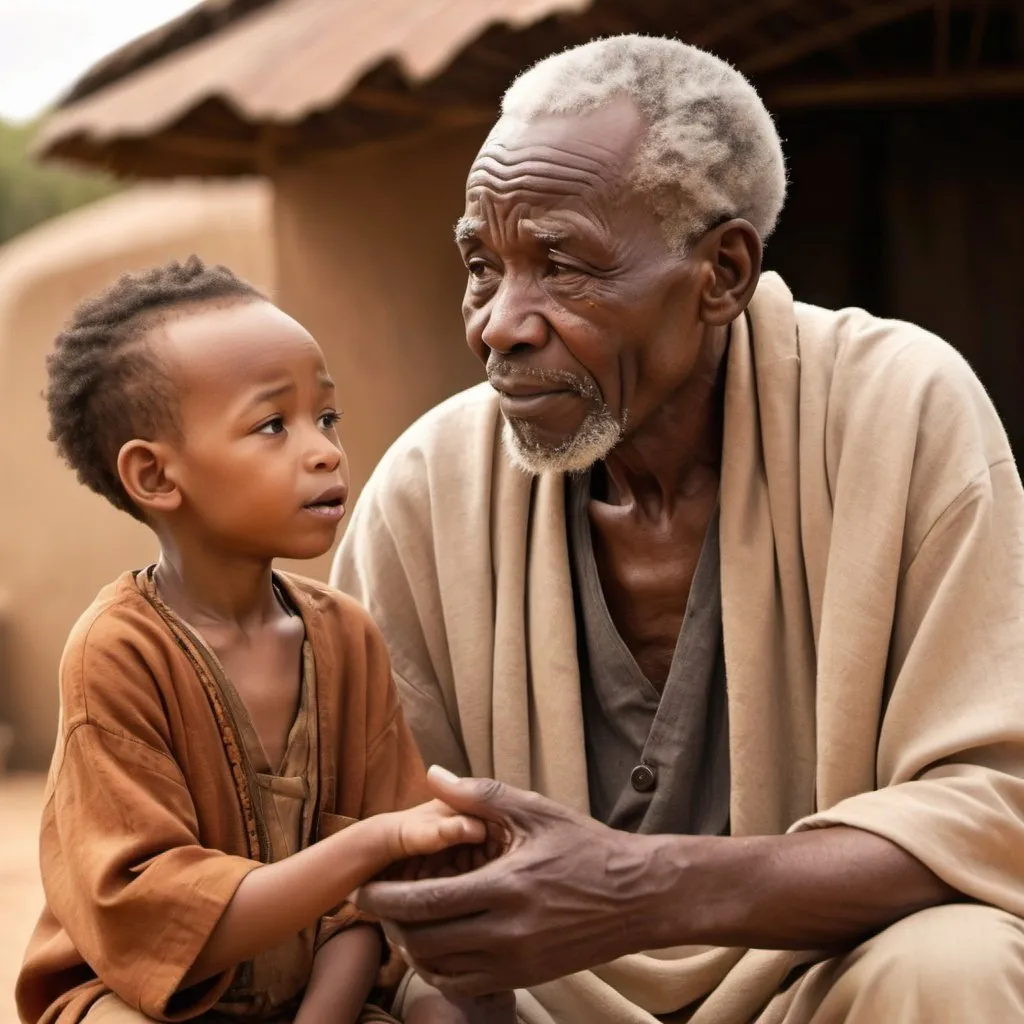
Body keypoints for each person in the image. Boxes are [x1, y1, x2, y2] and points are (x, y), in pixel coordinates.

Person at [330, 34, 1024, 1024]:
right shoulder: (425, 492)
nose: (497, 323)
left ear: (722, 274)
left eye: (561, 264)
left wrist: (634, 888)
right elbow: (375, 856)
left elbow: (995, 810)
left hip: (819, 985)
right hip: (534, 1013)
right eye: (482, 265)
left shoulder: (894, 410)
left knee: (955, 966)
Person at [15, 258, 501, 1024]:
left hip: (316, 996)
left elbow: (363, 911)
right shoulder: (118, 652)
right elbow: (152, 915)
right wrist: (374, 843)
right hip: (149, 1004)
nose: (324, 451)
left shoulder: (345, 637)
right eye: (274, 424)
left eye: (328, 417)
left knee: (458, 1006)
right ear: (155, 477)